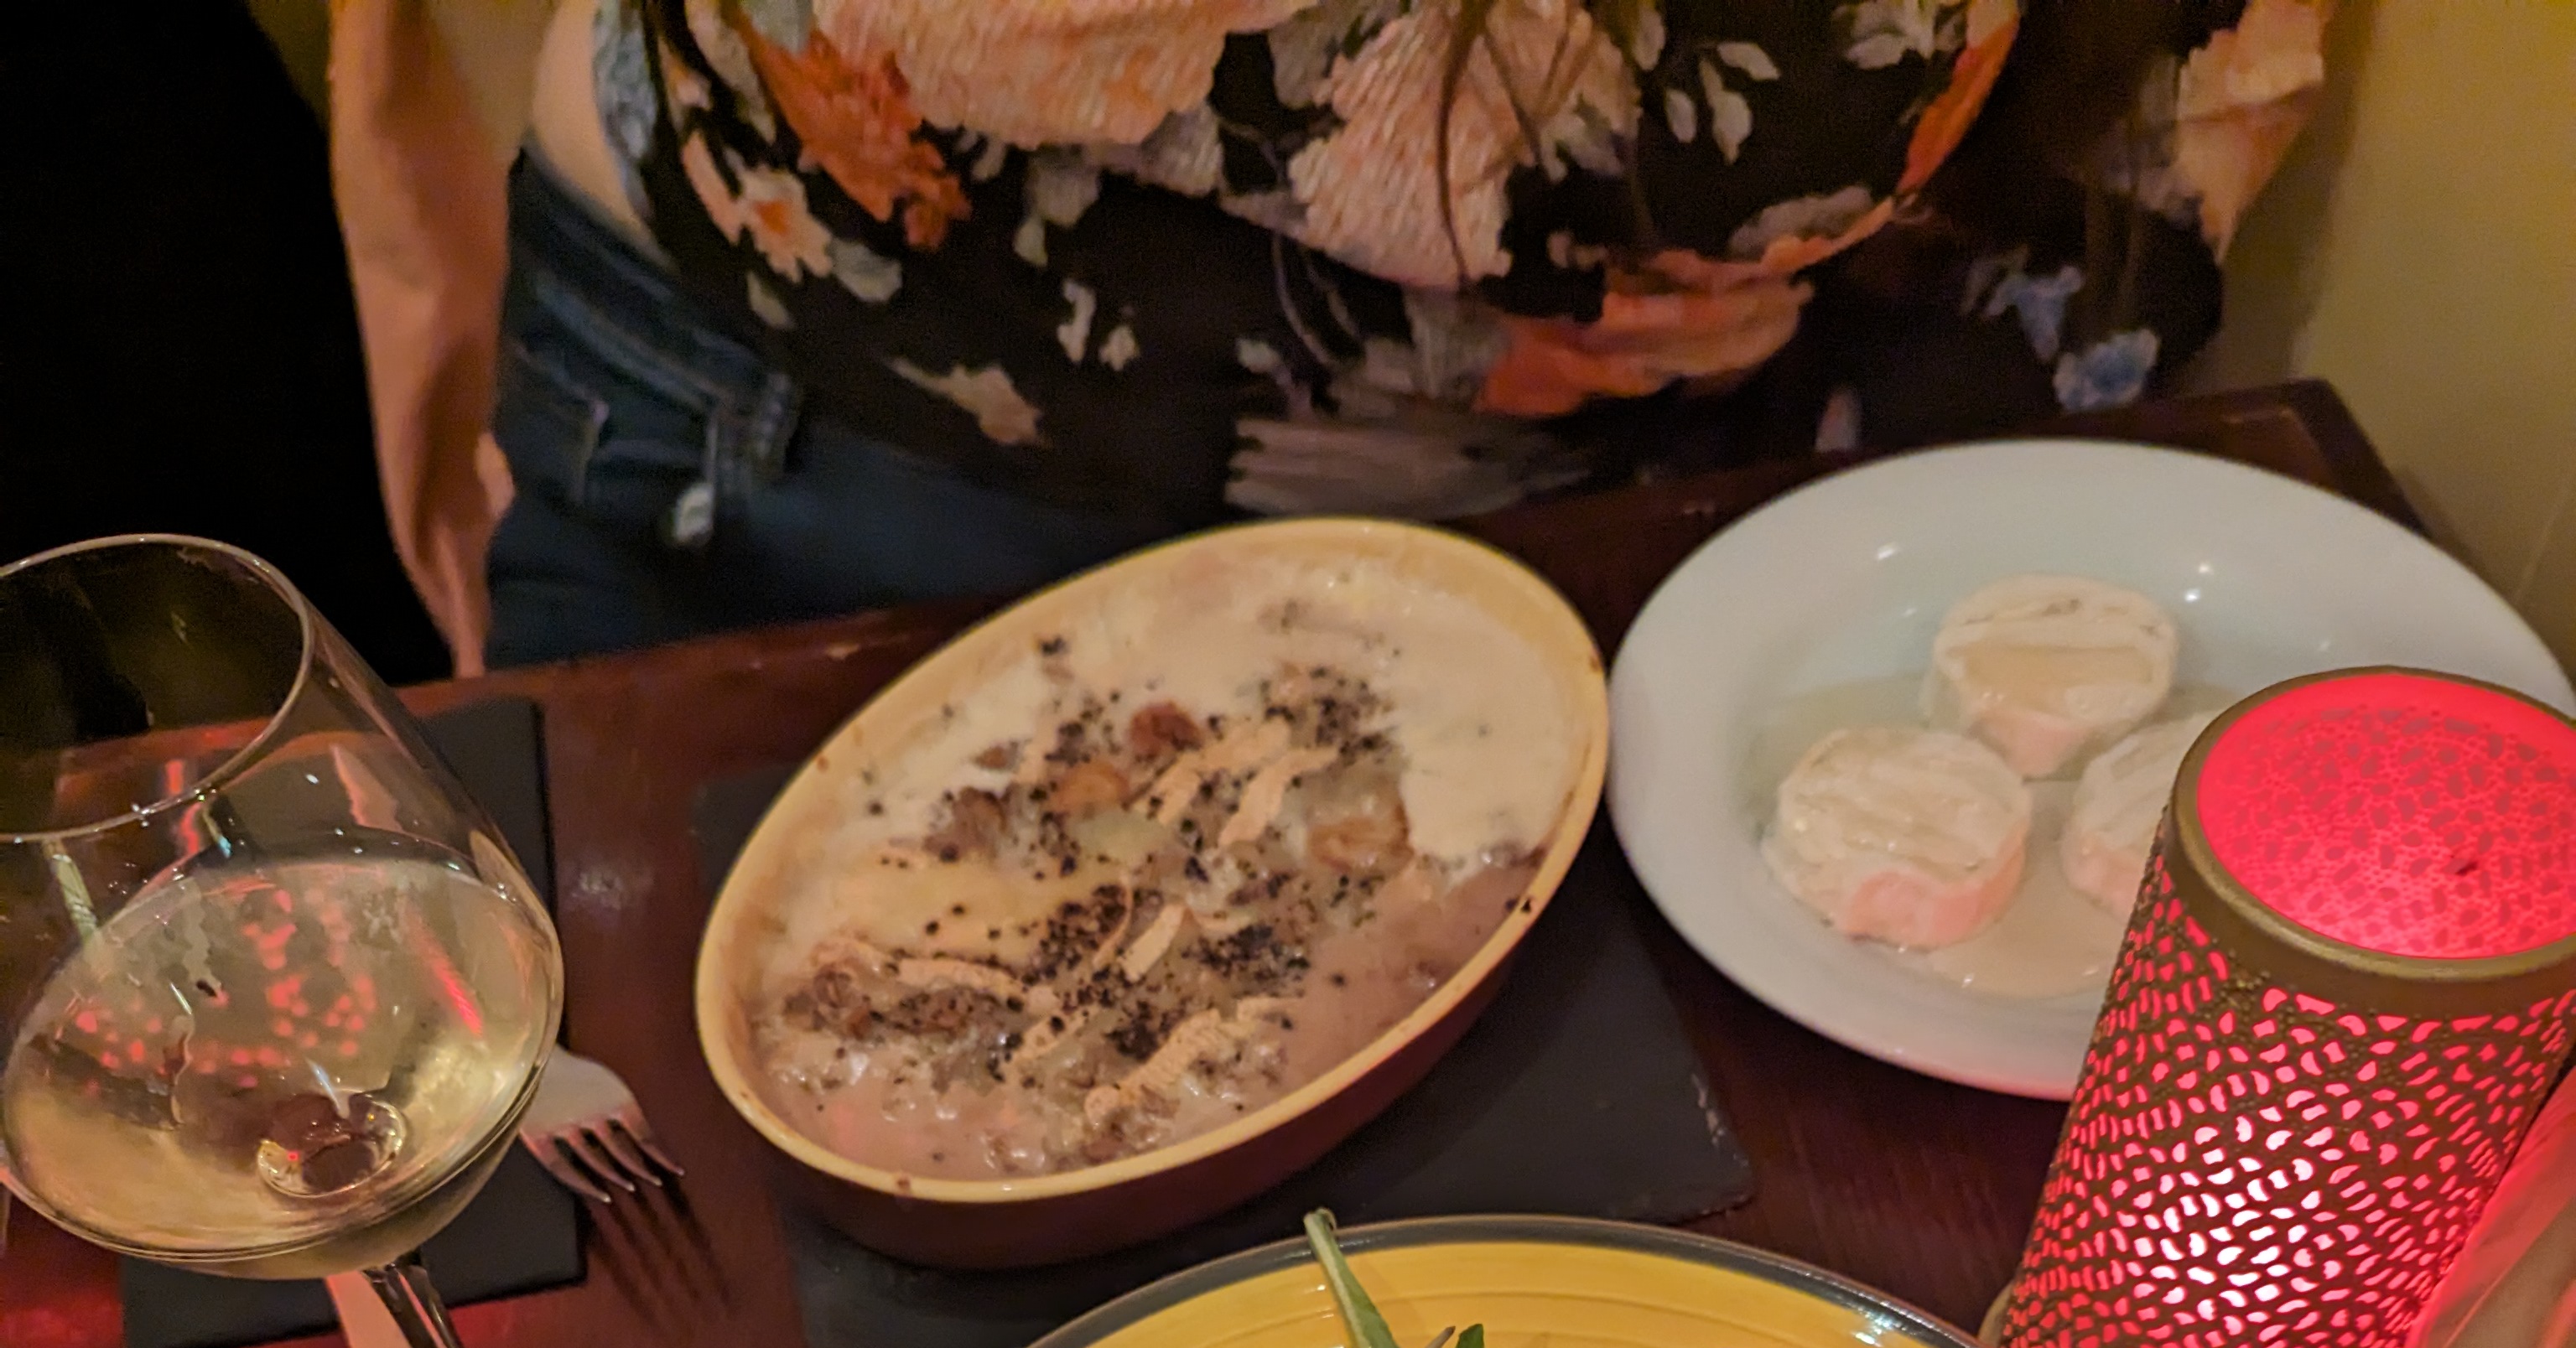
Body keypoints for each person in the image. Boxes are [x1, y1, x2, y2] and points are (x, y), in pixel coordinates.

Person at [330, 0, 2332, 677]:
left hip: (1603, 519)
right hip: (856, 446)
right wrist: (1464, 303)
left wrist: (1901, 533)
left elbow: (2162, 95)